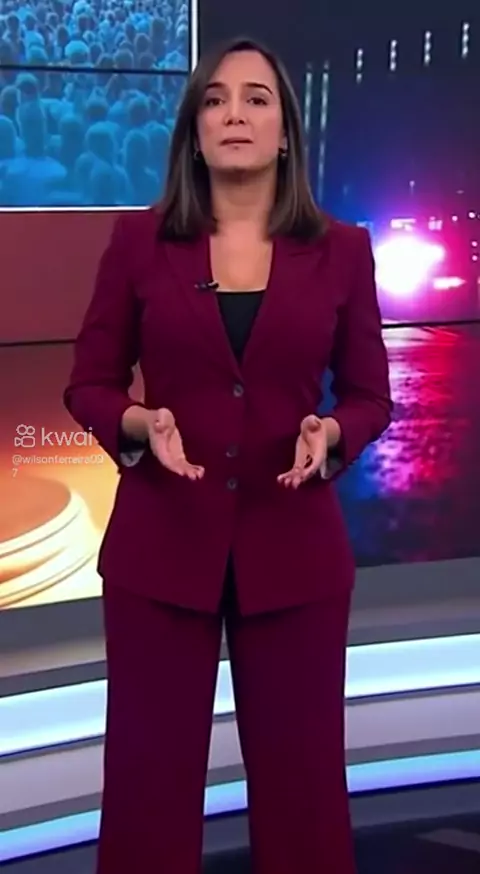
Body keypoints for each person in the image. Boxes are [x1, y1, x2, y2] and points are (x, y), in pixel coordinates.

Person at [64, 35, 392, 874]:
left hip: (294, 554)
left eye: (255, 98)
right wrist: (137, 424)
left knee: (304, 797)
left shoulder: (343, 249)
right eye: (214, 100)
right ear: (194, 131)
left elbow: (369, 395)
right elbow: (90, 384)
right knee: (146, 795)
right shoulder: (138, 244)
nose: (234, 113)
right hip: (160, 553)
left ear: (285, 133)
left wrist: (333, 435)